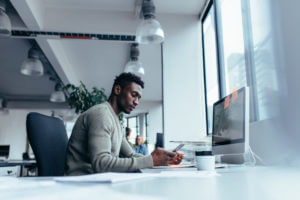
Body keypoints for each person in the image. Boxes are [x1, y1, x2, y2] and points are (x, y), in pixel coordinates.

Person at [65, 73, 181, 175]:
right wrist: (151, 160)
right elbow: (101, 164)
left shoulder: (115, 120)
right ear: (117, 90)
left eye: (139, 98)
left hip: (97, 181)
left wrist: (163, 160)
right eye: (134, 95)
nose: (136, 102)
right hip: (81, 183)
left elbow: (131, 155)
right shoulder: (101, 115)